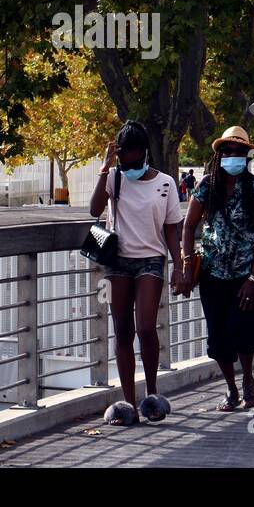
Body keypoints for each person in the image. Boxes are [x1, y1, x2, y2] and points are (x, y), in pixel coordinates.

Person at [89, 120, 185, 426]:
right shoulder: (114, 177)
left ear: (144, 153)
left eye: (134, 158)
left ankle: (152, 396)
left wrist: (179, 265)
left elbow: (172, 230)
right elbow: (94, 210)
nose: (129, 165)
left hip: (151, 260)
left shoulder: (166, 183)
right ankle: (128, 403)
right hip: (118, 260)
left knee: (145, 326)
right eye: (123, 159)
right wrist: (105, 168)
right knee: (122, 330)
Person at [178, 126, 254, 412]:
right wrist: (185, 262)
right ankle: (232, 388)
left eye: (240, 152)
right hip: (212, 272)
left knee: (243, 330)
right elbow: (188, 225)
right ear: (219, 155)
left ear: (247, 156)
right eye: (228, 152)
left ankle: (248, 380)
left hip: (246, 273)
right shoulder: (207, 185)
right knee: (218, 335)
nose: (233, 156)